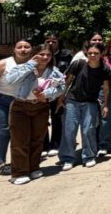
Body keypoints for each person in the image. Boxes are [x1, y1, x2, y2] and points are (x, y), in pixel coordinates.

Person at [4, 44, 66, 185]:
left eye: (48, 55)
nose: (45, 57)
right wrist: (30, 64)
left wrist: (47, 94)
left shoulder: (54, 71)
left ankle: (33, 167)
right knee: (20, 140)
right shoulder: (23, 67)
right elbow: (10, 80)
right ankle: (19, 172)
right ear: (34, 54)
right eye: (41, 54)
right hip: (21, 106)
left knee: (37, 139)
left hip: (41, 107)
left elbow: (61, 87)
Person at [0, 39, 32, 175]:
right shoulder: (3, 64)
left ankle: (19, 161)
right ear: (14, 49)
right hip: (0, 101)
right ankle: (1, 163)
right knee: (3, 132)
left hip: (21, 102)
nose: (23, 50)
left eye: (26, 47)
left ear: (31, 49)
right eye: (19, 47)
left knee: (20, 133)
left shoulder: (33, 64)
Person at [59, 42, 110, 170]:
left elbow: (106, 88)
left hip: (90, 102)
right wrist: (61, 98)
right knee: (69, 130)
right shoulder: (78, 64)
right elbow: (67, 81)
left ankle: (89, 156)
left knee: (88, 130)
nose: (92, 55)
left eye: (96, 53)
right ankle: (68, 158)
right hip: (72, 100)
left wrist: (105, 105)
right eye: (90, 53)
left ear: (101, 54)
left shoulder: (104, 69)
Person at [43, 32, 73, 157]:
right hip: (43, 92)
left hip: (59, 91)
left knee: (57, 118)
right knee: (42, 118)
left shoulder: (66, 55)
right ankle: (44, 145)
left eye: (53, 41)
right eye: (48, 41)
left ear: (58, 42)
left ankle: (55, 144)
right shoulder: (41, 53)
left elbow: (70, 74)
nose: (51, 43)